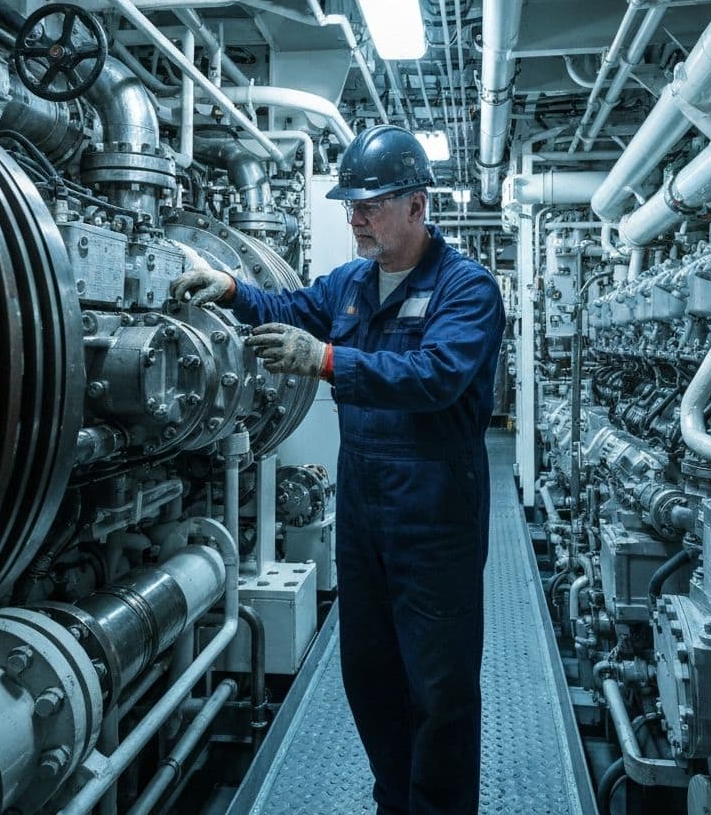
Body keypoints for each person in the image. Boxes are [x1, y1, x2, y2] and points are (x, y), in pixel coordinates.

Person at [170, 124, 506, 815]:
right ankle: (395, 802)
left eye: (372, 203)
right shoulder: (352, 283)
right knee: (371, 674)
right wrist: (231, 286)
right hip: (362, 504)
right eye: (350, 203)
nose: (355, 216)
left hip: (435, 506)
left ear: (417, 206)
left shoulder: (466, 289)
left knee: (438, 687)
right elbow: (290, 307)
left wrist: (325, 360)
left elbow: (435, 377)